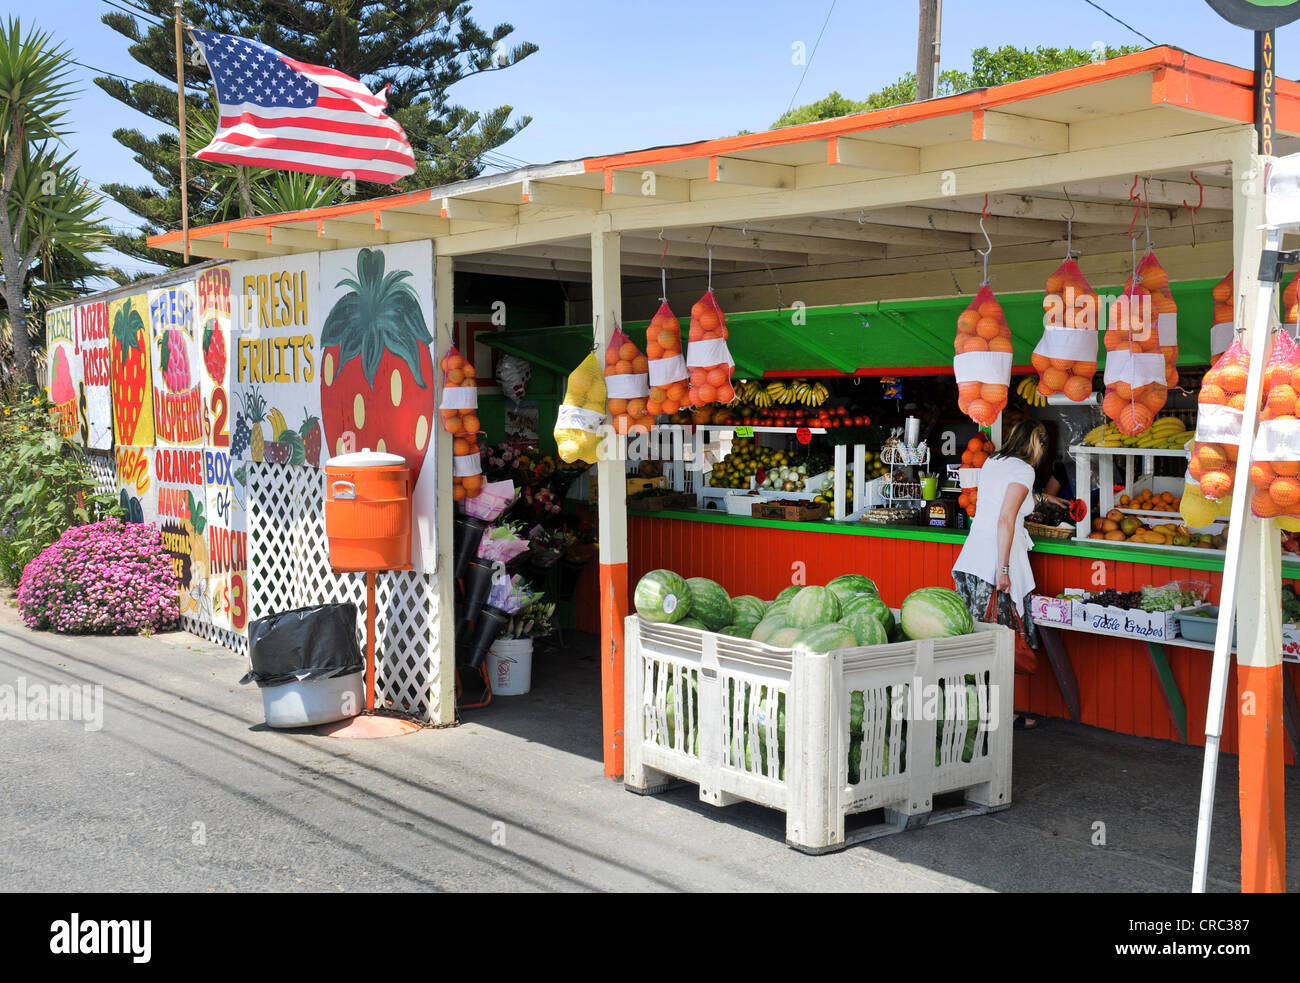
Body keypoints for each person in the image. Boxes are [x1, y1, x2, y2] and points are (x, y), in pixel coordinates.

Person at [952, 420, 1047, 730]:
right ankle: (991, 716)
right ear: (1037, 445)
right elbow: (1005, 520)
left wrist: (1040, 500)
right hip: (994, 566)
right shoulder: (1024, 470)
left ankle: (972, 712)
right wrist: (1003, 569)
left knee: (972, 642)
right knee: (996, 646)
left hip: (970, 561)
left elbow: (995, 506)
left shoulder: (993, 462)